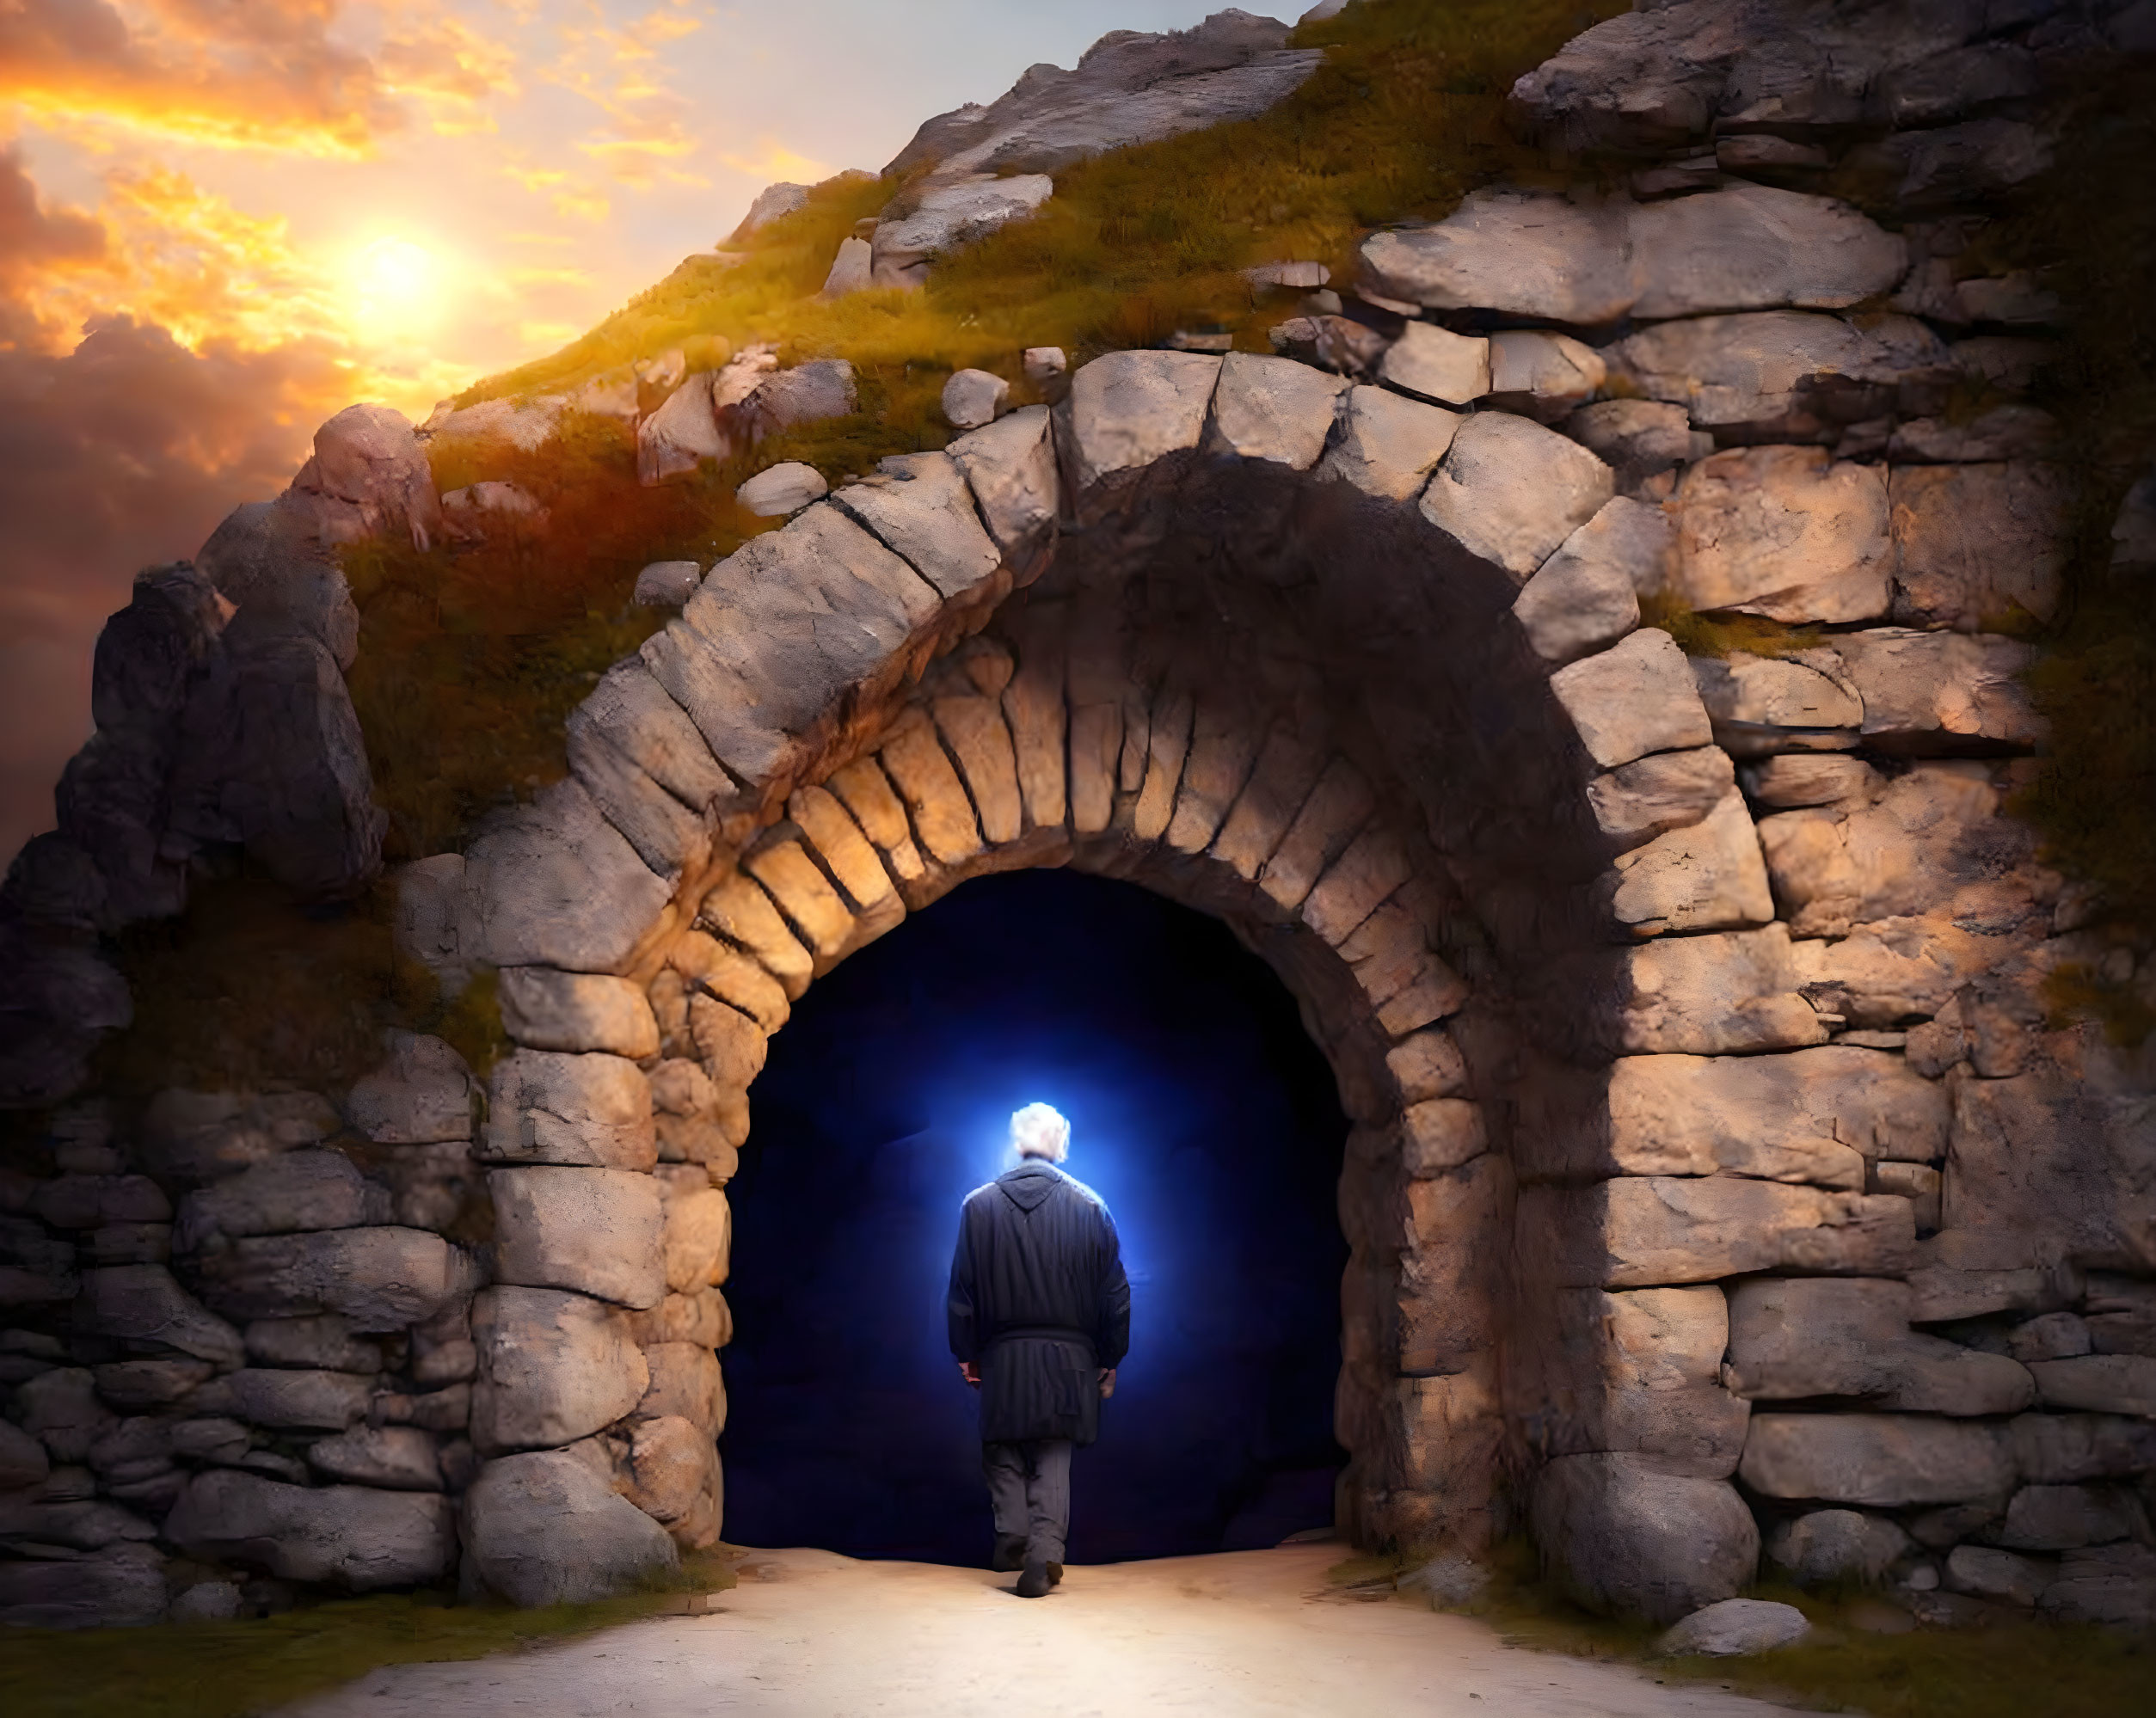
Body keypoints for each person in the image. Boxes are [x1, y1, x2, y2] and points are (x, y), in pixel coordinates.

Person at [946, 1101, 1131, 1598]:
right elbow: (1114, 1294)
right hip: (1071, 1356)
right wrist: (1110, 1357)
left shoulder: (977, 1206)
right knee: (1052, 1449)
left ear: (1017, 1141)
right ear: (1060, 1144)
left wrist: (965, 1350)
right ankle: (1044, 1551)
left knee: (1000, 1442)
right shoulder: (1091, 1206)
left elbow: (963, 1289)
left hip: (1004, 1352)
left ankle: (1014, 1532)